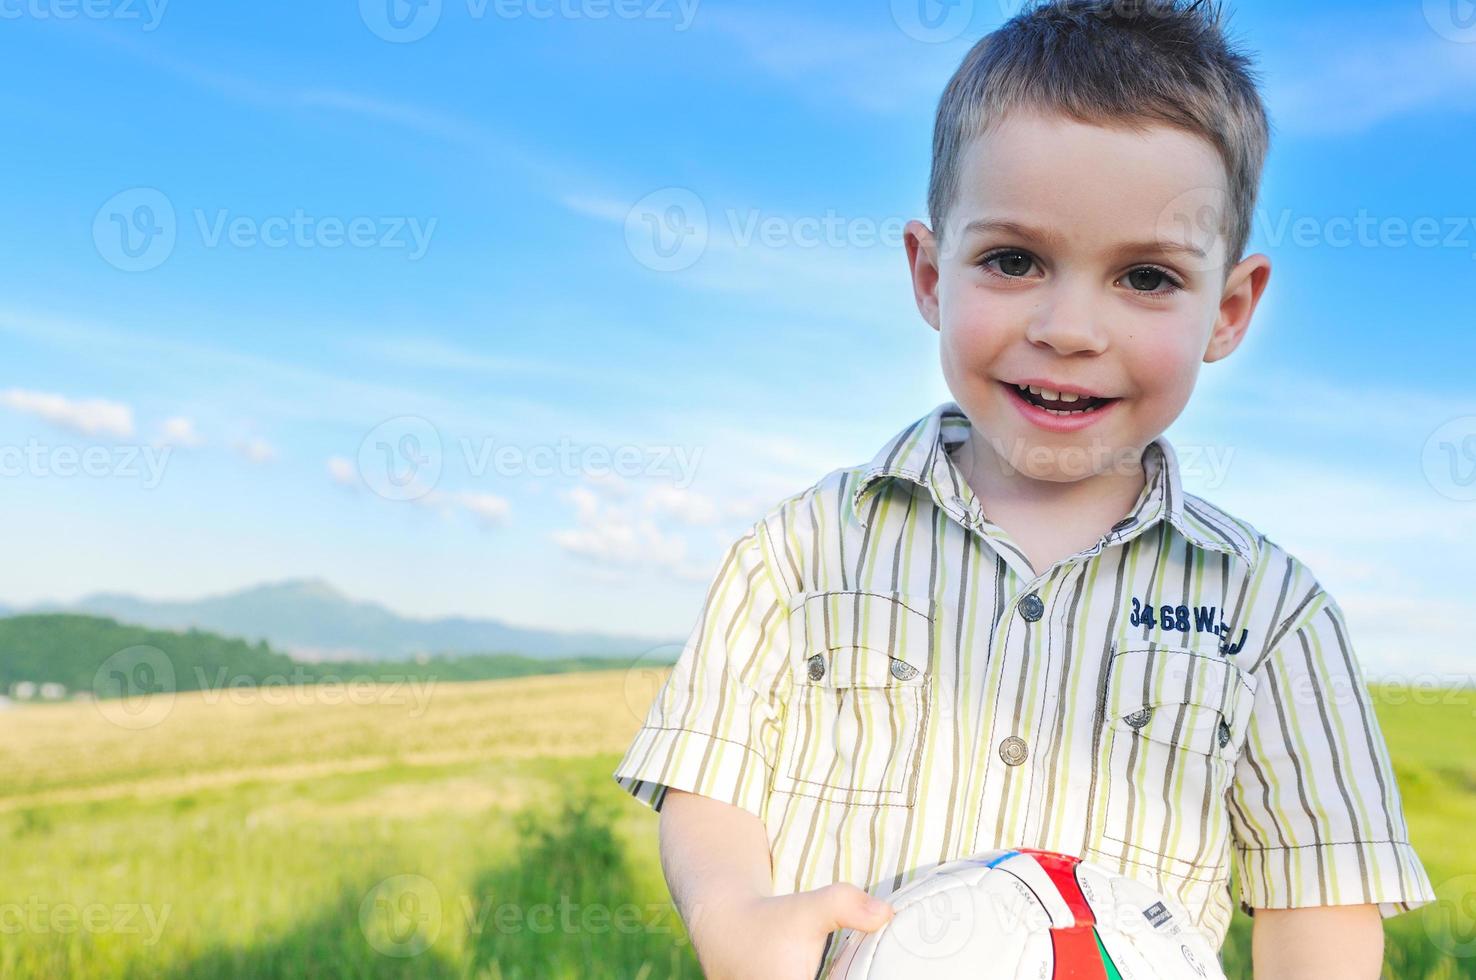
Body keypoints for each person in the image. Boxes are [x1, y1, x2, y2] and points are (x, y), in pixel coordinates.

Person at [612, 2, 1435, 976]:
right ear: (930, 273)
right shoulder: (801, 549)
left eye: (1145, 275)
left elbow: (1321, 895)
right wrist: (732, 907)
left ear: (1229, 308)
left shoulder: (1271, 611)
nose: (1070, 326)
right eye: (1014, 259)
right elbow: (711, 771)